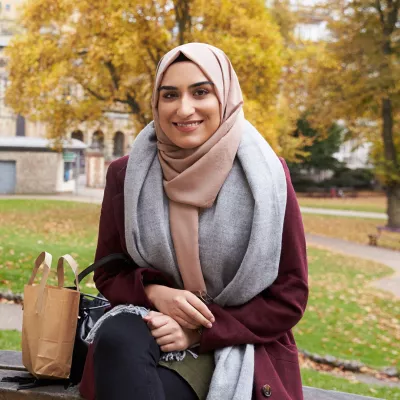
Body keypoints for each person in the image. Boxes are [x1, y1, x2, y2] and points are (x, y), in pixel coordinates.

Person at [79, 43, 308, 400]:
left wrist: (200, 331)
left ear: (225, 96)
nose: (184, 108)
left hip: (237, 340)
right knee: (117, 337)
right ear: (157, 102)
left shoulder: (267, 177)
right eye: (170, 95)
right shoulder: (126, 174)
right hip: (150, 323)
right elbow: (109, 271)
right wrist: (157, 293)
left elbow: (289, 297)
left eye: (201, 91)